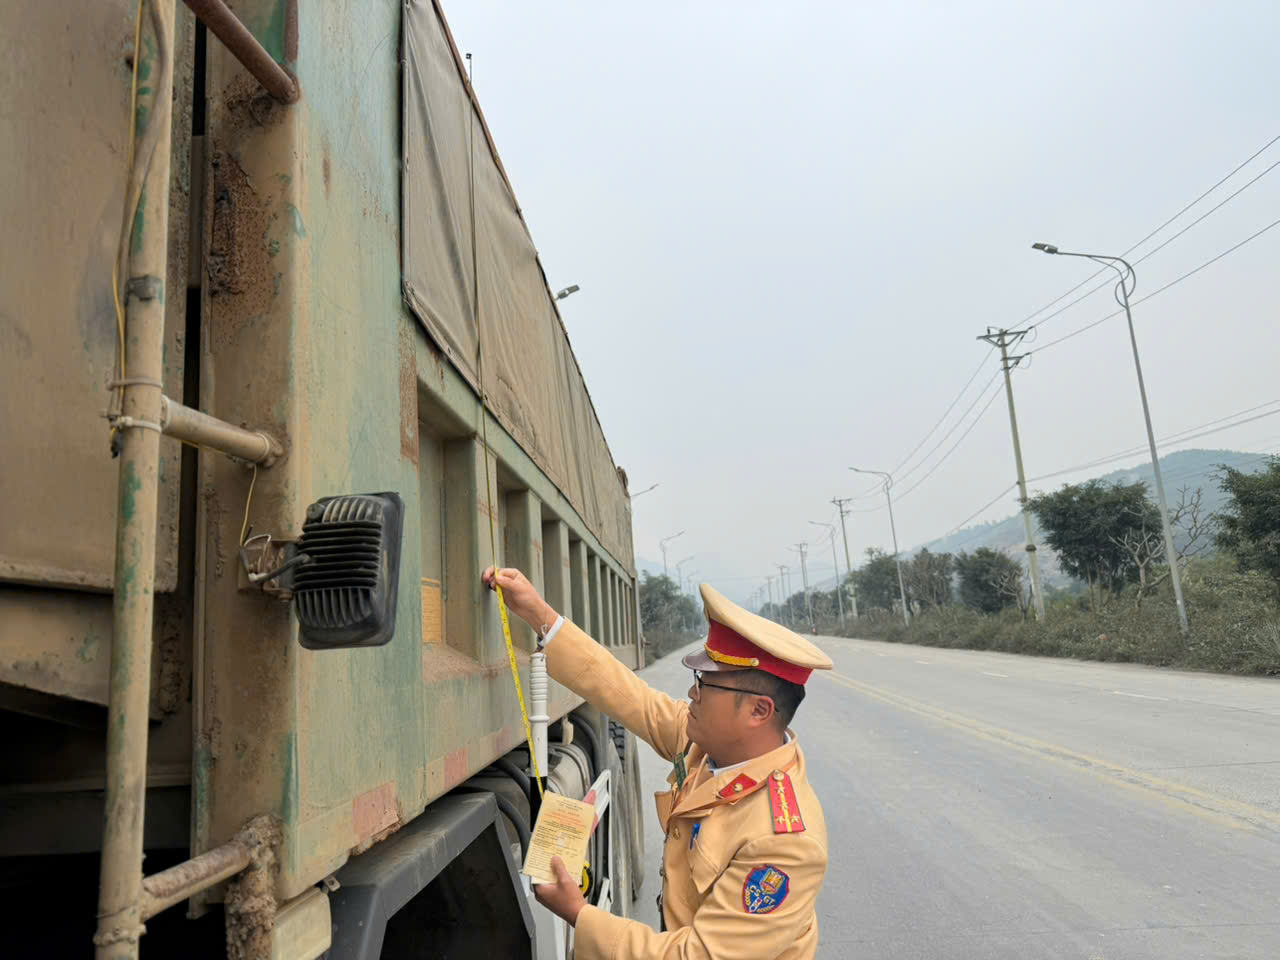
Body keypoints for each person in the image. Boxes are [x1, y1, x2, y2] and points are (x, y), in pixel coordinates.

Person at [481, 565, 833, 960]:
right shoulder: (708, 749)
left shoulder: (784, 841)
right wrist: (540, 616)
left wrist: (579, 914)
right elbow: (629, 695)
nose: (691, 693)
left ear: (758, 711)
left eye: (705, 683)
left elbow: (698, 956)